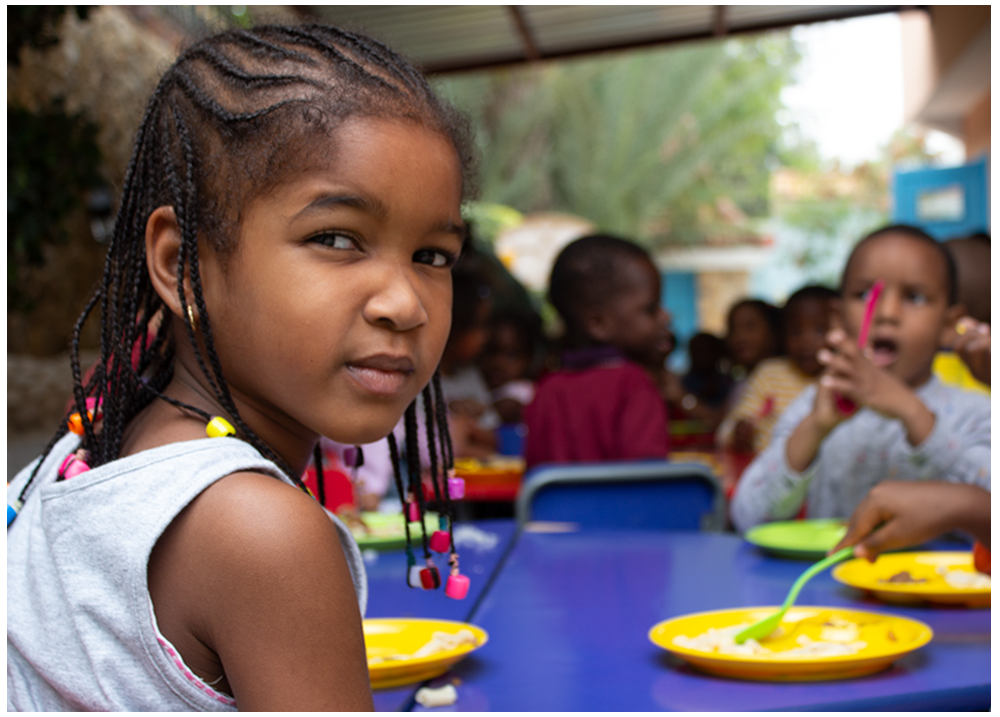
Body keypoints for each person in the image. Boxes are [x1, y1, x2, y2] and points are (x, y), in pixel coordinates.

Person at [7, 24, 474, 711]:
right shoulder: (262, 532)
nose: (404, 303)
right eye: (336, 238)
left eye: (432, 255)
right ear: (181, 266)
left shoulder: (93, 447)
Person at [730, 224, 990, 533]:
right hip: (830, 581)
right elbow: (748, 517)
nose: (886, 312)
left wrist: (914, 413)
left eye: (915, 297)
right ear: (837, 319)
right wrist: (815, 427)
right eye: (865, 294)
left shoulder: (976, 414)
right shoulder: (815, 406)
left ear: (949, 324)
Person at [523, 234, 672, 468]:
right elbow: (649, 482)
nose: (666, 316)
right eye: (651, 308)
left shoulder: (546, 390)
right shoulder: (634, 384)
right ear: (598, 324)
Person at [716, 286, 838, 454]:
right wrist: (738, 431)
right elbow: (726, 430)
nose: (806, 340)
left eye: (819, 330)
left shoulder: (845, 379)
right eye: (796, 331)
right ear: (782, 334)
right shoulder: (770, 374)